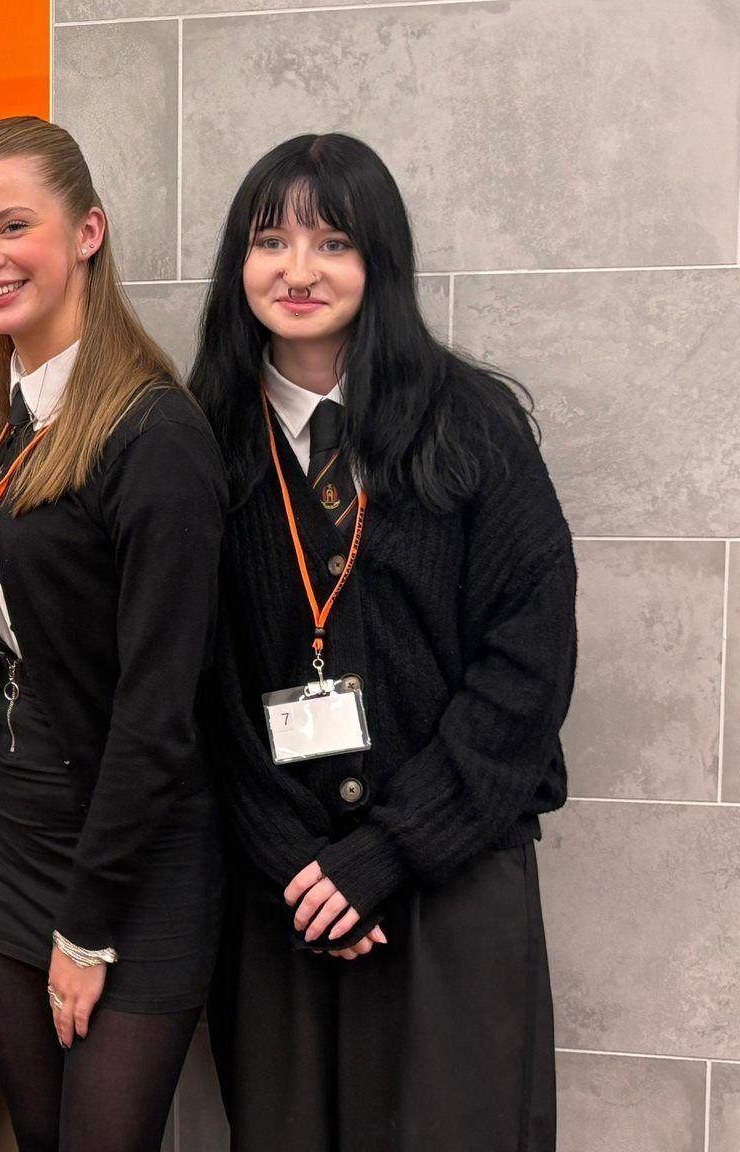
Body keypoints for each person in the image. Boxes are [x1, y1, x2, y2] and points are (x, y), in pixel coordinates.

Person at [188, 133, 572, 1152]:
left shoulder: (470, 424)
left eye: (333, 242)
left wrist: (389, 851)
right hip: (279, 888)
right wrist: (298, 862)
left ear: (380, 261)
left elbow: (526, 663)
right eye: (270, 241)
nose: (298, 270)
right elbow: (193, 681)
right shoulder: (198, 438)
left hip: (452, 872)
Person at [0, 115, 226, 1152]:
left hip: (128, 864)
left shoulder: (152, 434)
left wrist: (89, 923)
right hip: (10, 839)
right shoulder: (12, 416)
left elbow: (158, 710)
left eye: (12, 226)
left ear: (87, 232)